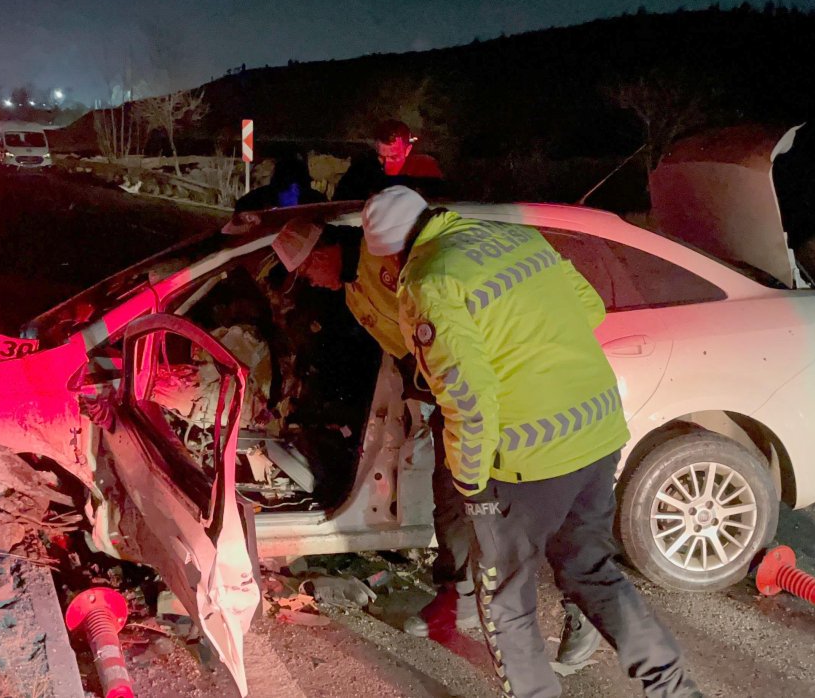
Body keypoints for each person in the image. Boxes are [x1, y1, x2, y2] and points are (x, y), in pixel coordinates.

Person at [361, 187, 702, 698]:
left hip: (527, 462)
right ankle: (674, 689)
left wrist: (471, 482)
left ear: (388, 250)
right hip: (596, 432)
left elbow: (467, 398)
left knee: (507, 603)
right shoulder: (514, 240)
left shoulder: (429, 281)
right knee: (591, 570)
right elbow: (587, 306)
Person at [271, 209, 604, 666]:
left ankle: (582, 609)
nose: (309, 281)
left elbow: (459, 328)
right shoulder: (353, 292)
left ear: (326, 249)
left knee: (533, 510)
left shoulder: (393, 255)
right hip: (456, 402)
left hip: (514, 399)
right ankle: (459, 596)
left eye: (307, 269)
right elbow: (410, 347)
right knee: (451, 500)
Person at [333, 119, 447, 202]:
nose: (387, 164)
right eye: (381, 157)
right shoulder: (363, 167)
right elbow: (340, 202)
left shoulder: (425, 166)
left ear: (408, 150)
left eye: (393, 157)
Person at [234, 146, 327, 213]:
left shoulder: (317, 202)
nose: (293, 192)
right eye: (289, 188)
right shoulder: (253, 202)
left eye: (296, 188)